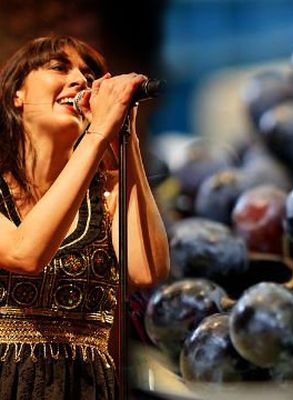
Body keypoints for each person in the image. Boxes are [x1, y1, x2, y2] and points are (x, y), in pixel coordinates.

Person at [0, 36, 170, 399]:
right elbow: (24, 254)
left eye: (87, 73)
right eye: (59, 67)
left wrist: (125, 138)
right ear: (17, 93)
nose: (80, 79)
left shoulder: (108, 193)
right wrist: (97, 134)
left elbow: (146, 270)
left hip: (85, 386)